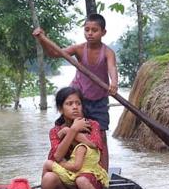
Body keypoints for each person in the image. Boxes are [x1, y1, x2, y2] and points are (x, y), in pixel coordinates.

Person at [33, 13, 118, 170]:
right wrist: (42, 40)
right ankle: (68, 166)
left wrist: (114, 83)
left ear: (103, 32)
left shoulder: (107, 52)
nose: (90, 33)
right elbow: (55, 53)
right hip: (79, 100)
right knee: (70, 132)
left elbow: (112, 67)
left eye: (94, 30)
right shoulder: (79, 49)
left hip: (99, 101)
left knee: (101, 136)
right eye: (87, 29)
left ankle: (103, 173)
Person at [41, 87, 109, 189]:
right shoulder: (55, 131)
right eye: (69, 104)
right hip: (66, 178)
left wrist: (70, 131)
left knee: (81, 180)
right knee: (48, 178)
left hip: (89, 178)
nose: (75, 107)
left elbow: (93, 145)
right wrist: (72, 130)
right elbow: (57, 157)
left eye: (78, 103)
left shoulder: (93, 125)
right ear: (60, 109)